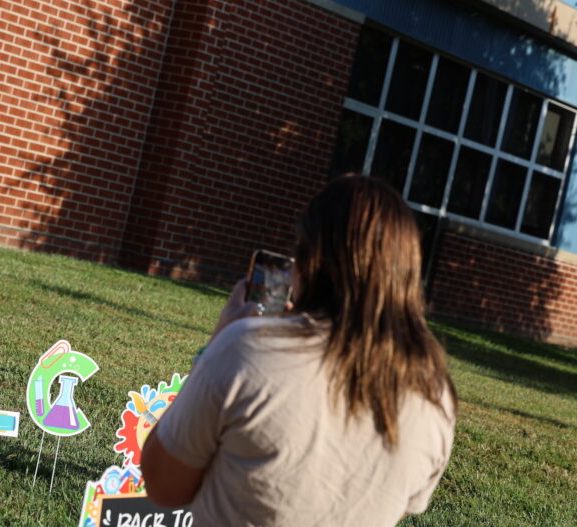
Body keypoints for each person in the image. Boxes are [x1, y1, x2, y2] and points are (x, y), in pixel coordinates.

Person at [141, 175, 457, 527]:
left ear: (311, 259)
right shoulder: (436, 396)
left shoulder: (246, 349)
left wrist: (216, 346)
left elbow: (163, 486)